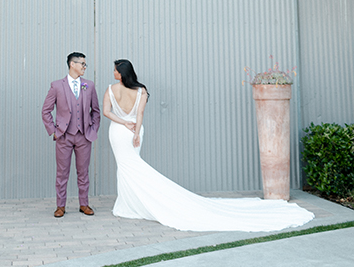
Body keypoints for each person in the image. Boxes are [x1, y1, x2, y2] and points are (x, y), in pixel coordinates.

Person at [103, 59, 315, 232]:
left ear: (120, 73)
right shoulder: (141, 90)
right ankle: (129, 203)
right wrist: (136, 132)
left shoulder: (110, 90)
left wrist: (122, 123)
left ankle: (129, 204)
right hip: (135, 131)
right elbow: (140, 114)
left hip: (119, 131)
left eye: (114, 70)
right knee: (131, 165)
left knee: (126, 166)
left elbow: (107, 112)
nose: (113, 72)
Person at [42, 52, 101, 218]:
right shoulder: (56, 86)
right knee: (62, 173)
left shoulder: (88, 85)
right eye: (82, 64)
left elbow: (96, 111)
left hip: (84, 136)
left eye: (85, 64)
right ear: (72, 64)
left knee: (83, 173)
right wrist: (53, 131)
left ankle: (84, 204)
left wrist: (93, 129)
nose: (84, 67)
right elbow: (46, 111)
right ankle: (60, 206)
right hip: (64, 136)